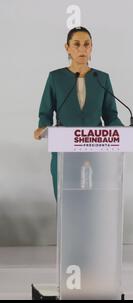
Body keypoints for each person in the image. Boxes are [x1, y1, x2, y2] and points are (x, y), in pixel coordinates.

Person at [34, 26, 123, 198]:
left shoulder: (101, 78)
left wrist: (122, 133)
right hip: (64, 152)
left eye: (86, 44)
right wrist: (42, 127)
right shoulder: (56, 78)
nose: (82, 49)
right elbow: (45, 112)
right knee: (67, 203)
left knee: (94, 202)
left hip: (96, 153)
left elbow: (111, 115)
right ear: (67, 47)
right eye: (76, 44)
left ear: (91, 47)